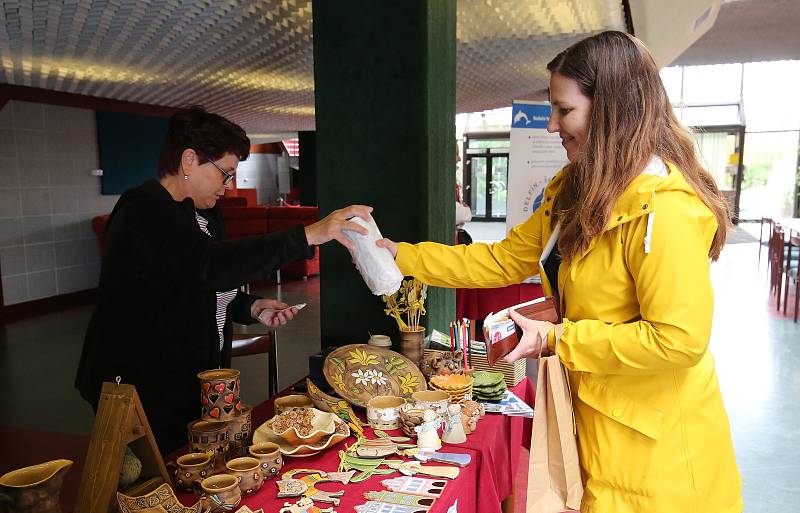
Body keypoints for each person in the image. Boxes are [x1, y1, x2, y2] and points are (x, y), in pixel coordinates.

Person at [378, 31, 741, 513]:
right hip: (593, 422)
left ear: (613, 110)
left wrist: (557, 340)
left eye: (563, 110)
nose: (552, 125)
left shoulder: (665, 212)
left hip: (660, 454)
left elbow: (678, 339)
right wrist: (396, 255)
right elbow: (503, 259)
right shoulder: (573, 189)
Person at [75, 106, 371, 454]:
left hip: (196, 377)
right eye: (224, 174)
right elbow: (206, 264)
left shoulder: (204, 215)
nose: (228, 187)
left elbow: (203, 282)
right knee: (151, 487)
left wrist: (250, 306)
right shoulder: (143, 211)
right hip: (141, 385)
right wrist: (305, 235)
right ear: (189, 160)